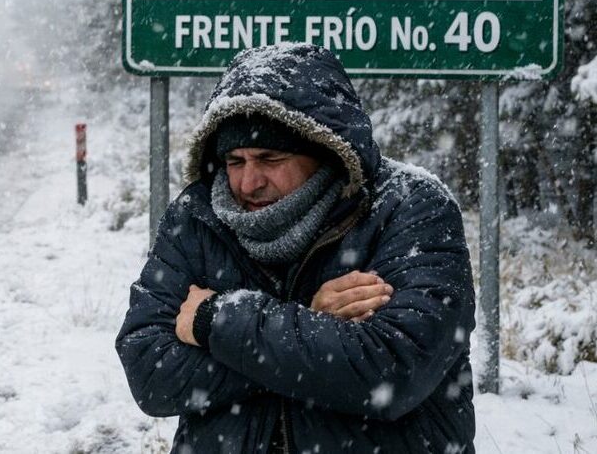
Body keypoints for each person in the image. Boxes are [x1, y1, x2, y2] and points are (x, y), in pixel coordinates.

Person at [116, 43, 476, 453]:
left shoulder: (410, 208)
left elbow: (391, 372)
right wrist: (310, 324)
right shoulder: (197, 218)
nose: (248, 183)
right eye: (235, 161)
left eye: (269, 158)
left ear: (324, 148)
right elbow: (150, 373)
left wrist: (216, 322)